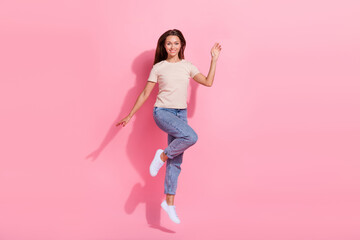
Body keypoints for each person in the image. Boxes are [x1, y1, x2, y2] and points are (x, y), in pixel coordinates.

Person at [116, 29, 221, 224]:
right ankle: (161, 155)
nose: (172, 47)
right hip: (162, 112)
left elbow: (208, 82)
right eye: (169, 43)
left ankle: (169, 204)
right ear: (164, 46)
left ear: (182, 45)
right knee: (191, 137)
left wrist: (213, 60)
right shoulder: (159, 67)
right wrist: (130, 115)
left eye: (176, 43)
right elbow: (145, 94)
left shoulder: (187, 66)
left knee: (176, 162)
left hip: (181, 114)